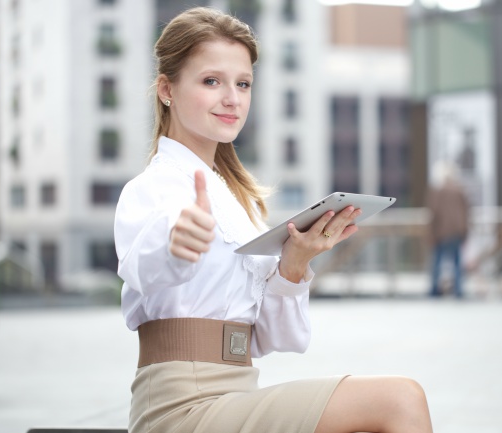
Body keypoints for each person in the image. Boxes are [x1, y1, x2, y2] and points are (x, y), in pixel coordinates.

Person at [114, 7, 433, 433]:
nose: (232, 98)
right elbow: (141, 266)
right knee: (399, 399)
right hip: (179, 408)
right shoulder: (153, 188)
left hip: (237, 394)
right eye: (212, 81)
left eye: (243, 84)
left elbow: (273, 339)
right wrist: (176, 244)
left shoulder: (239, 204)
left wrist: (294, 264)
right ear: (166, 89)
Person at [426, 161, 470, 298]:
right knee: (457, 262)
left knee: (437, 262)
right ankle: (458, 290)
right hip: (457, 231)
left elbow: (433, 212)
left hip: (441, 232)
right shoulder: (460, 191)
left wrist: (431, 233)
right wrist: (465, 231)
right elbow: (466, 212)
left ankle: (434, 290)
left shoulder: (437, 191)